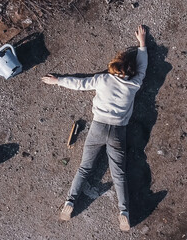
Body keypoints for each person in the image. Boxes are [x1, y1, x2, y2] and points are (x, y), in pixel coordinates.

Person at [41, 25, 147, 232]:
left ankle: (70, 202)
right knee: (119, 174)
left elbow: (80, 84)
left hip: (97, 127)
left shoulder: (103, 79)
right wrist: (142, 43)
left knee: (84, 168)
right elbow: (143, 66)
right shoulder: (134, 84)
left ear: (114, 66)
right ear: (131, 72)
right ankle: (123, 212)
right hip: (118, 131)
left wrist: (57, 81)